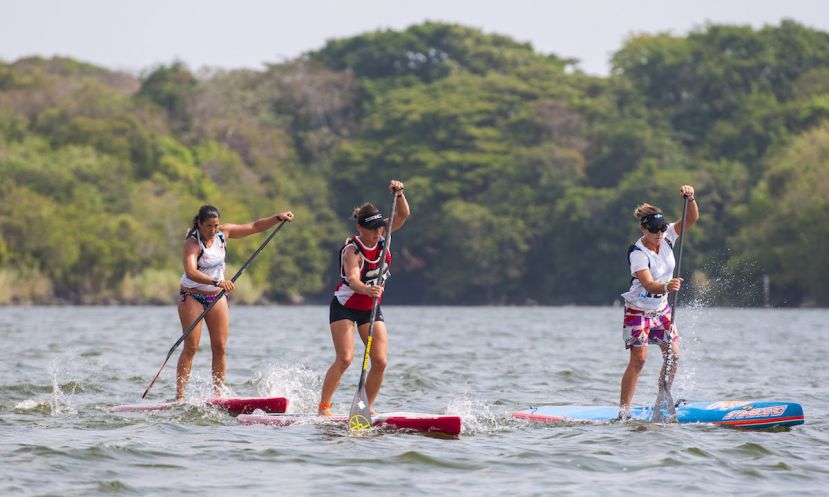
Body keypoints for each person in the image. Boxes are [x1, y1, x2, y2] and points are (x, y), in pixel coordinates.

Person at [176, 205, 294, 401]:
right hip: (192, 296)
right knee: (191, 347)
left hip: (216, 296)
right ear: (199, 223)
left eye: (215, 226)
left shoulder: (223, 234)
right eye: (208, 226)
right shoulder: (192, 242)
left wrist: (277, 218)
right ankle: (179, 397)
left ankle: (218, 396)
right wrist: (217, 281)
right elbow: (191, 271)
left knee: (220, 347)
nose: (212, 230)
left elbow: (254, 226)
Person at [318, 180, 409, 416]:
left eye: (380, 227)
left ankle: (365, 407)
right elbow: (352, 279)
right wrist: (367, 290)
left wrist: (399, 194)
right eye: (372, 229)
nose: (378, 232)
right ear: (360, 228)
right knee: (346, 359)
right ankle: (324, 408)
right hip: (345, 307)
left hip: (370, 308)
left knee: (380, 361)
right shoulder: (352, 251)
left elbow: (403, 215)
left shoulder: (383, 236)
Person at [619, 185, 698, 419]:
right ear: (644, 229)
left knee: (673, 355)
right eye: (654, 230)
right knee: (639, 360)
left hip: (661, 310)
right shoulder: (638, 253)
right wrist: (667, 286)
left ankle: (663, 398)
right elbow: (648, 284)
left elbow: (691, 219)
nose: (660, 234)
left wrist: (691, 198)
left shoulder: (668, 238)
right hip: (637, 311)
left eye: (663, 228)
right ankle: (624, 412)